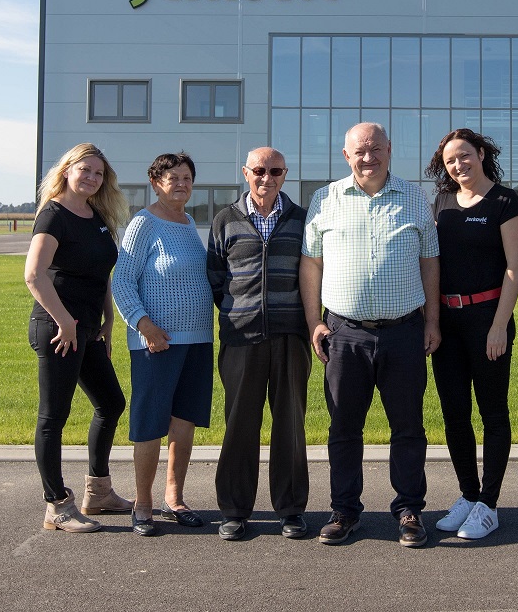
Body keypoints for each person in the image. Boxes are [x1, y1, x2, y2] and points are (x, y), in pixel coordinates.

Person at [300, 122, 440, 549]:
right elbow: (311, 263)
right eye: (359, 151)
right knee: (344, 426)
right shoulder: (325, 199)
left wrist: (432, 322)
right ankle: (344, 510)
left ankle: (409, 509)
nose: (368, 157)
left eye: (376, 149)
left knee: (408, 427)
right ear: (346, 155)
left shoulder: (415, 198)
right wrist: (314, 322)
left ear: (389, 149)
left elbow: (430, 262)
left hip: (404, 331)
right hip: (345, 334)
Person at [423, 129, 518, 541]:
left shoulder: (505, 201)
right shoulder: (442, 202)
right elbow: (431, 261)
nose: (458, 164)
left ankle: (489, 504)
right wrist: (431, 321)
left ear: (481, 154)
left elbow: (515, 267)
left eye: (464, 155)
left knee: (493, 413)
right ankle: (468, 494)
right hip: (447, 322)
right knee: (454, 413)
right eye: (450, 160)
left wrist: (499, 325)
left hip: (488, 319)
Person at [24, 143, 131, 533]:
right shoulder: (54, 215)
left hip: (87, 327)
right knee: (53, 416)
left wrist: (108, 319)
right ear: (67, 170)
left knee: (111, 403)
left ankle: (98, 492)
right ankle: (56, 505)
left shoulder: (95, 215)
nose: (92, 177)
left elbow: (100, 272)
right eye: (85, 169)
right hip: (58, 329)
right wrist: (64, 321)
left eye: (99, 173)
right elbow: (34, 274)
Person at [207, 147, 311, 541]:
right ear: (246, 172)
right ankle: (234, 511)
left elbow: (314, 274)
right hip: (241, 339)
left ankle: (291, 509)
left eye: (276, 171)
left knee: (290, 425)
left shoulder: (302, 219)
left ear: (285, 174)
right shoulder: (225, 219)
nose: (267, 178)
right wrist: (239, 312)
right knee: (240, 426)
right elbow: (216, 276)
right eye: (259, 170)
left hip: (290, 336)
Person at [113, 152, 214, 537]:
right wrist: (144, 325)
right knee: (150, 424)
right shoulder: (144, 223)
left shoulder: (188, 223)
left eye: (187, 177)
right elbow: (122, 280)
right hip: (156, 343)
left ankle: (175, 498)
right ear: (156, 183)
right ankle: (143, 504)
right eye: (173, 178)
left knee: (184, 422)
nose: (182, 184)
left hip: (198, 340)